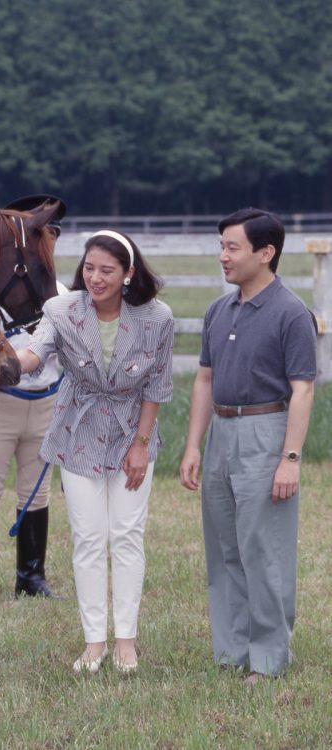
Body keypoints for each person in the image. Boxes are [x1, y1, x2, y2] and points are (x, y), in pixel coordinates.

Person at [16, 229, 174, 673]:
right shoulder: (61, 309)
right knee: (88, 538)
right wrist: (7, 367)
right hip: (77, 429)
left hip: (131, 432)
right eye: (89, 268)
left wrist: (140, 446)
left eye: (107, 270)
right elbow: (35, 351)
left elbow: (158, 387)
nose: (96, 278)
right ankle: (94, 643)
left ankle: (126, 641)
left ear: (128, 274)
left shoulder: (157, 318)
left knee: (126, 535)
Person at [179, 208, 317, 685]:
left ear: (266, 252)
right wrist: (193, 445)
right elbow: (203, 380)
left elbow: (303, 389)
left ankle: (268, 657)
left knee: (264, 548)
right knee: (225, 549)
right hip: (221, 432)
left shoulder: (291, 313)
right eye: (221, 246)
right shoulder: (220, 311)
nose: (223, 256)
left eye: (232, 247)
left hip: (267, 432)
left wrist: (290, 459)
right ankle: (232, 652)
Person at [0, 194, 67, 599]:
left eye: (54, 231)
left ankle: (31, 576)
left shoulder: (56, 290)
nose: (51, 238)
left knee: (36, 491)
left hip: (45, 399)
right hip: (1, 403)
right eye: (45, 231)